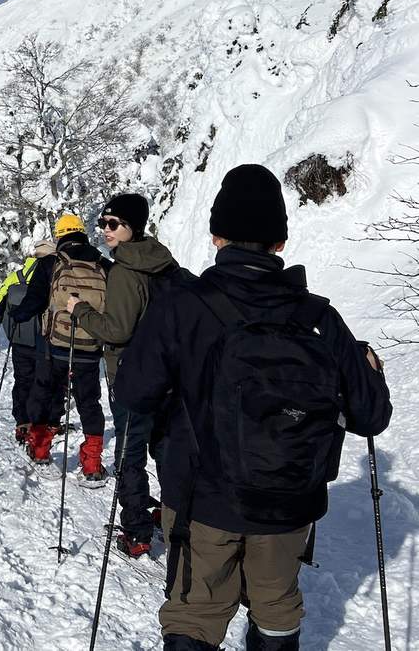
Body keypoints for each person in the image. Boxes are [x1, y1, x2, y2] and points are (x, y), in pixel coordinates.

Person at [116, 164, 392, 651]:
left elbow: (134, 394)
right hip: (287, 506)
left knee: (195, 612)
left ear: (216, 235)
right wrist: (367, 368)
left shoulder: (182, 306)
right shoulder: (317, 317)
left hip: (202, 500)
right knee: (276, 607)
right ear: (279, 244)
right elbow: (370, 417)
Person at [65, 192, 183, 557]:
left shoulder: (125, 272)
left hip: (132, 376)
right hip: (170, 376)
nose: (106, 230)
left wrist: (80, 310)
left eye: (113, 224)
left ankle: (137, 531)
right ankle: (173, 517)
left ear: (132, 227)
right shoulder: (164, 263)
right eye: (102, 223)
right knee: (165, 450)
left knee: (130, 454)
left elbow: (116, 331)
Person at [12, 213, 111, 484]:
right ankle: (91, 463)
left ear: (59, 236)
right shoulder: (102, 263)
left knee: (44, 392)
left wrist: (17, 316)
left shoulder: (50, 263)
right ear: (82, 232)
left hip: (54, 345)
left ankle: (40, 449)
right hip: (90, 346)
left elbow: (33, 302)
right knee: (89, 402)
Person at [0, 241, 56, 443]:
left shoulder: (16, 277)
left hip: (19, 339)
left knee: (23, 380)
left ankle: (22, 423)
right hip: (46, 340)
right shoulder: (55, 275)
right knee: (47, 381)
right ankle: (48, 423)